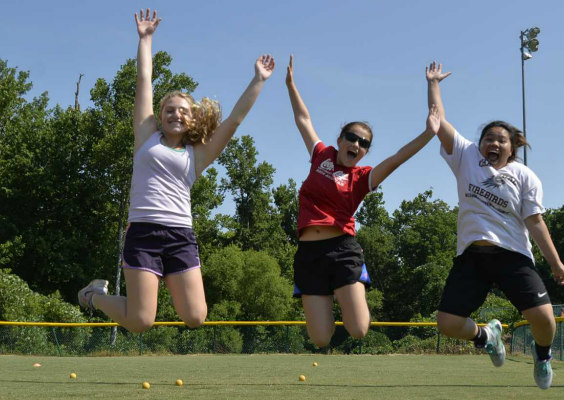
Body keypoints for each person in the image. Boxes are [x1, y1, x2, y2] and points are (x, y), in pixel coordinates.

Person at [77, 9, 275, 333]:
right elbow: (144, 80)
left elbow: (234, 121)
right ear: (160, 115)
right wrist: (145, 39)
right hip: (143, 233)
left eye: (183, 111)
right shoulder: (146, 136)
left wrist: (258, 80)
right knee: (141, 322)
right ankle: (94, 296)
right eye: (170, 109)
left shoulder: (197, 156)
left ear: (192, 120)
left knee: (196, 317)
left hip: (181, 236)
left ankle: (104, 295)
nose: (176, 114)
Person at [426, 61, 564, 389]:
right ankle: (486, 336)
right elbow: (439, 121)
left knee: (544, 320)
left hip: (512, 256)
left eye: (501, 140)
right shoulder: (465, 157)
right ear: (479, 145)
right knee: (447, 323)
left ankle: (543, 356)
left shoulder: (524, 176)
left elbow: (535, 221)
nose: (493, 143)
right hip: (472, 257)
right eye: (488, 138)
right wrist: (433, 84)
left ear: (511, 148)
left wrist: (555, 262)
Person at [286, 55, 440, 348]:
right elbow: (303, 120)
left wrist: (429, 133)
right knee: (320, 339)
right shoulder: (322, 155)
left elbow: (397, 158)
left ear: (365, 152)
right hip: (308, 255)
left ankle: (348, 289)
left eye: (364, 143)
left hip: (342, 250)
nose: (356, 144)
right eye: (351, 137)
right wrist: (291, 85)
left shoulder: (363, 177)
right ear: (340, 139)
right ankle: (327, 298)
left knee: (358, 329)